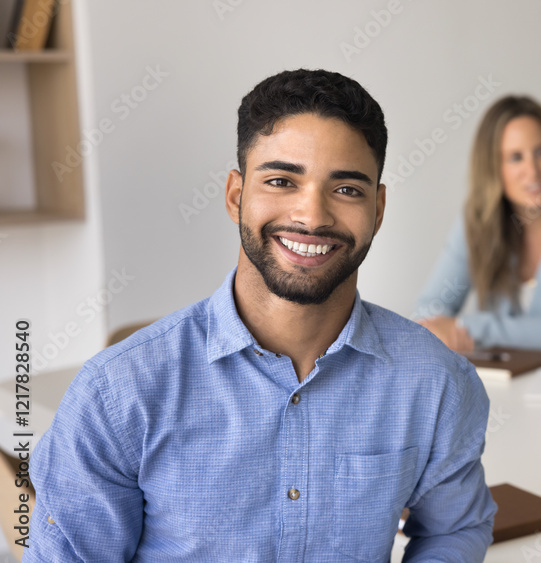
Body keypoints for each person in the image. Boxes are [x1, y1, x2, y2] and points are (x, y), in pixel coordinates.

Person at [26, 70, 496, 561]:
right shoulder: (117, 393)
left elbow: (454, 530)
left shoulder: (438, 383)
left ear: (378, 209)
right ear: (236, 196)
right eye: (280, 181)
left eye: (347, 190)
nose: (312, 217)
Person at [414, 95, 541, 352]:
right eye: (516, 157)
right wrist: (439, 326)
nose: (533, 171)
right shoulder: (477, 219)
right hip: (498, 383)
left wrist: (466, 327)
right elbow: (429, 311)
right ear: (493, 166)